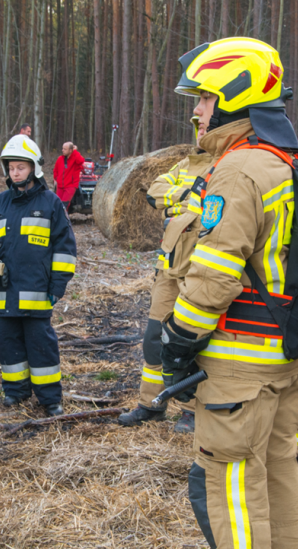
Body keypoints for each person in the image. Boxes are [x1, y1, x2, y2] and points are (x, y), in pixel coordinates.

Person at [164, 38, 298, 549]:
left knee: (230, 481)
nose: (196, 109)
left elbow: (215, 273)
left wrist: (177, 338)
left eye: (202, 97)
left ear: (230, 98)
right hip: (286, 356)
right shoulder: (285, 160)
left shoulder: (239, 170)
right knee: (277, 469)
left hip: (239, 364)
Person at [0, 134, 77, 417]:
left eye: (21, 167)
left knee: (41, 347)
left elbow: (65, 249)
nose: (15, 172)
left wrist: (58, 285)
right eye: (11, 167)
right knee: (8, 346)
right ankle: (15, 392)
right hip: (3, 293)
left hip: (37, 293)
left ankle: (50, 399)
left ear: (34, 168)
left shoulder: (51, 204)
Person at [118, 118, 212, 432]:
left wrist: (178, 202)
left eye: (206, 125)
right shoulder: (186, 164)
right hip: (168, 268)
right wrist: (187, 196)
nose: (201, 130)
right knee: (154, 339)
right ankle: (151, 403)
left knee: (188, 341)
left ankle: (190, 409)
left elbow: (209, 209)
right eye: (197, 126)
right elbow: (154, 191)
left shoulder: (226, 166)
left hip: (198, 270)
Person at [52, 142, 85, 210]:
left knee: (64, 205)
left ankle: (63, 219)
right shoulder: (60, 159)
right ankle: (61, 219)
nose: (62, 150)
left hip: (70, 186)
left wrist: (75, 151)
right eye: (62, 148)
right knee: (58, 204)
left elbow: (81, 161)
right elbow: (55, 170)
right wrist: (56, 178)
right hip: (60, 186)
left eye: (65, 149)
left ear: (70, 150)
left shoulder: (75, 159)